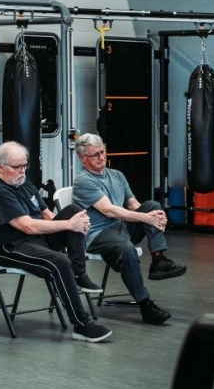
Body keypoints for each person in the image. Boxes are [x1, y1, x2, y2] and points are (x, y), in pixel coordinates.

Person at [0, 141, 112, 343]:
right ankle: (81, 324)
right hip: (10, 247)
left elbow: (47, 215)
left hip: (36, 240)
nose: (22, 171)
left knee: (74, 211)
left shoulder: (24, 184)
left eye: (25, 165)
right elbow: (28, 226)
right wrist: (69, 226)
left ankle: (79, 273)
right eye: (16, 167)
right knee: (59, 261)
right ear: (0, 166)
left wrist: (75, 223)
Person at [71, 133, 183, 326]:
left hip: (120, 227)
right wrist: (146, 218)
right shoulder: (83, 180)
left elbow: (133, 205)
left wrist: (155, 216)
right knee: (127, 248)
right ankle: (145, 305)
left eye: (102, 152)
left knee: (152, 205)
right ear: (83, 159)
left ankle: (158, 260)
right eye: (95, 155)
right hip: (97, 234)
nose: (101, 157)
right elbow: (109, 210)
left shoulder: (117, 175)